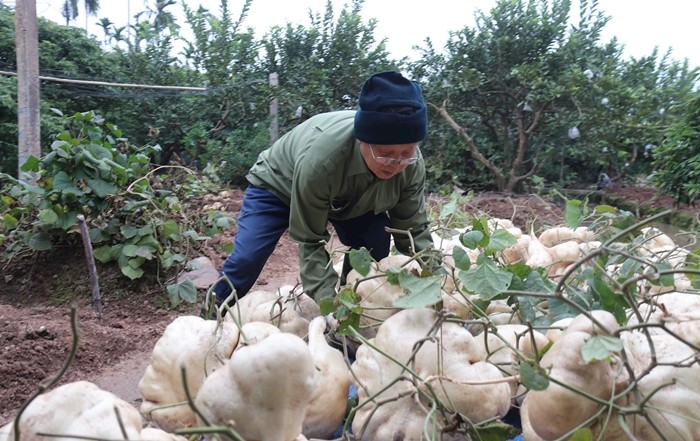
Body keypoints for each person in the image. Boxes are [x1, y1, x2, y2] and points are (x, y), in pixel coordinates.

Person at [211, 70, 434, 305]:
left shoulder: (410, 165)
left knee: (376, 241)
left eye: (406, 153)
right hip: (277, 187)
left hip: (342, 195)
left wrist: (436, 280)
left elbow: (412, 229)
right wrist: (330, 305)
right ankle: (212, 312)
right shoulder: (322, 161)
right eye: (386, 155)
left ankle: (354, 302)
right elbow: (310, 240)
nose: (396, 164)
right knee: (247, 259)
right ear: (362, 141)